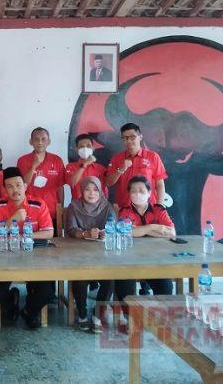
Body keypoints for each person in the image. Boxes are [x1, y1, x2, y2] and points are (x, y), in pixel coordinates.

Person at [0, 167, 56, 329]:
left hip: (34, 257)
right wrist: (13, 218)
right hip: (5, 258)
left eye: (18, 185)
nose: (15, 190)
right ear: (5, 189)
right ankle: (11, 304)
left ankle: (29, 311)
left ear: (25, 186)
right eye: (10, 186)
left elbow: (49, 232)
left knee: (47, 291)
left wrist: (25, 236)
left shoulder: (38, 204)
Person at [114, 176, 176, 322]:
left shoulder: (159, 210)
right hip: (129, 261)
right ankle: (130, 318)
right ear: (129, 194)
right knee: (123, 282)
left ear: (149, 193)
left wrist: (141, 231)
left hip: (155, 260)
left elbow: (171, 233)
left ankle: (160, 317)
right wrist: (153, 227)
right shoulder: (125, 211)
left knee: (165, 285)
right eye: (134, 191)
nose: (137, 194)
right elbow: (126, 232)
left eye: (142, 191)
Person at [65, 177, 116, 333]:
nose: (91, 193)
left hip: (103, 255)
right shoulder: (73, 206)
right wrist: (85, 233)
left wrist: (105, 233)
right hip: (79, 254)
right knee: (80, 277)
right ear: (82, 191)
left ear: (100, 191)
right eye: (87, 189)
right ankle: (82, 314)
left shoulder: (107, 206)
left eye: (95, 190)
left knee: (110, 278)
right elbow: (70, 230)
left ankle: (98, 314)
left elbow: (113, 226)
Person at [106, 123, 167, 209]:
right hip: (125, 208)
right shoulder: (117, 158)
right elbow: (108, 182)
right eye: (125, 138)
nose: (129, 141)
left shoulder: (153, 156)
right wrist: (121, 169)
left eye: (132, 137)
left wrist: (159, 207)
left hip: (148, 208)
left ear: (140, 137)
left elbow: (160, 184)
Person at [16, 127, 66, 221]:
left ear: (49, 141)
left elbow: (60, 187)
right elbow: (22, 185)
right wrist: (33, 166)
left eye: (43, 139)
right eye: (36, 139)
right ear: (31, 142)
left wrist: (61, 209)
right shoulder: (22, 160)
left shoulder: (57, 160)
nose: (40, 142)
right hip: (29, 210)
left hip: (52, 211)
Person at [65, 134, 108, 202]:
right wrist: (85, 164)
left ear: (93, 148)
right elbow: (72, 182)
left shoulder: (101, 168)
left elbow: (105, 187)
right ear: (76, 149)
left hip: (98, 205)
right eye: (81, 146)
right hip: (78, 206)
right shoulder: (70, 166)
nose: (85, 149)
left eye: (88, 146)